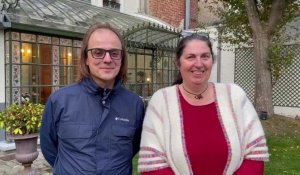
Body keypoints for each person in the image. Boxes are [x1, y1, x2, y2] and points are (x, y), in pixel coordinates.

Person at [138, 34, 269, 175]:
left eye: (205, 56)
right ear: (178, 63)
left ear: (212, 60)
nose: (199, 64)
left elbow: (255, 153)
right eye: (191, 57)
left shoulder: (234, 95)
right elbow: (153, 163)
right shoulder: (161, 101)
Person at [40, 23, 145, 175]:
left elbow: (134, 146)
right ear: (86, 58)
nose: (108, 59)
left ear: (122, 58)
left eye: (115, 53)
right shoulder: (60, 100)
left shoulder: (134, 104)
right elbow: (49, 148)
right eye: (98, 52)